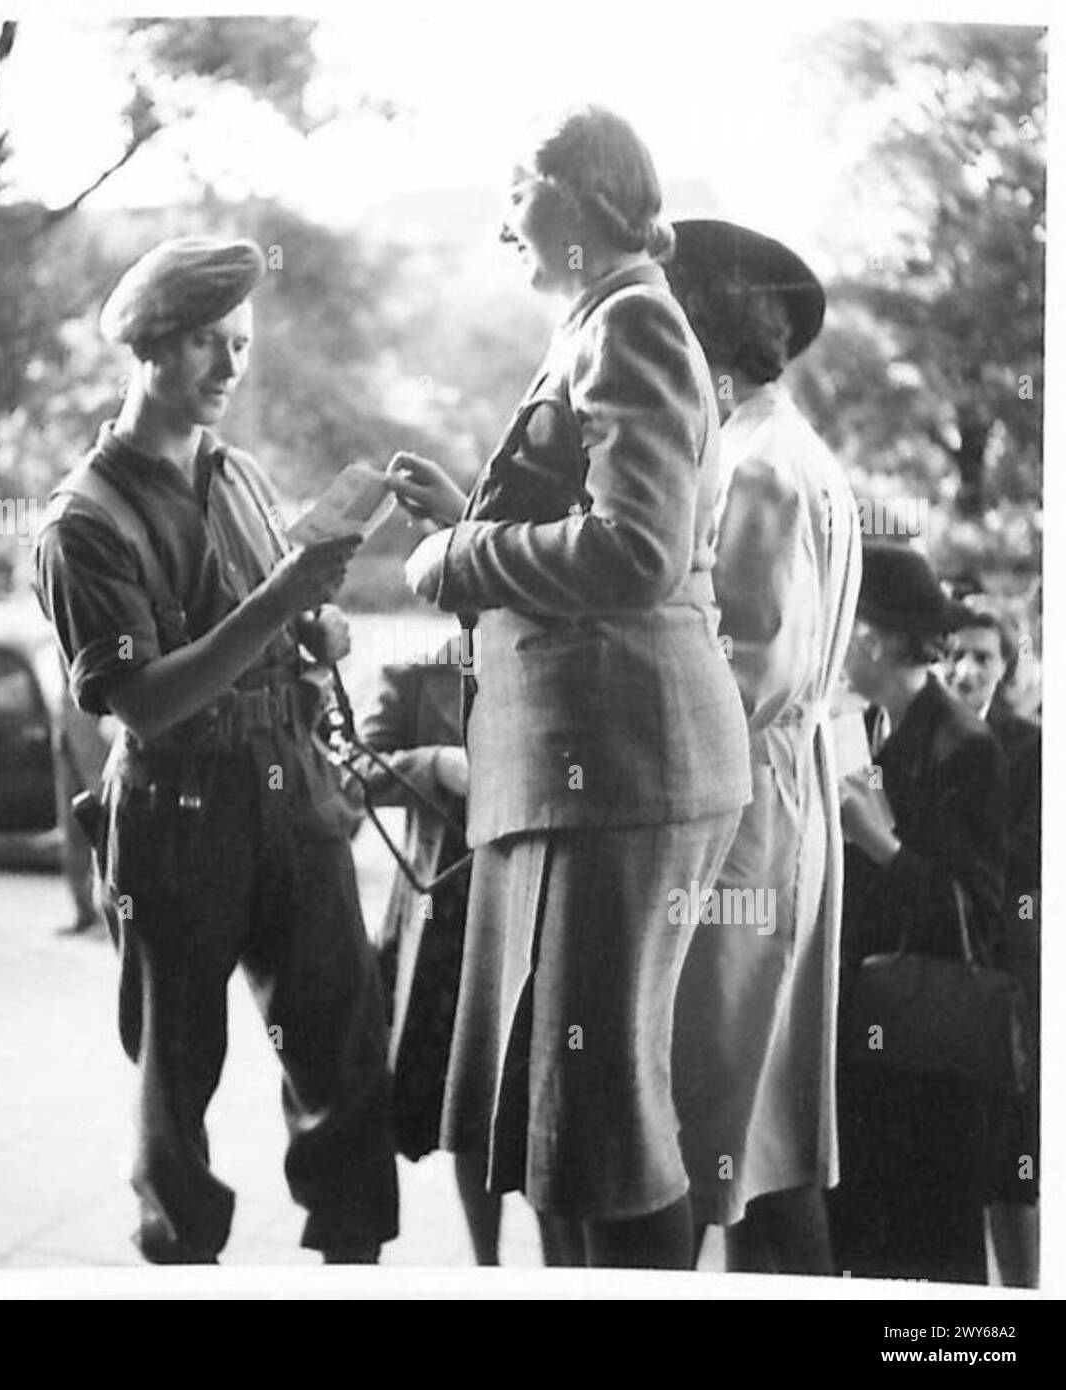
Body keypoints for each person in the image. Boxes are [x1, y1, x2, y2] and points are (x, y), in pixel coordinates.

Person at [388, 106, 751, 1269]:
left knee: (602, 1117)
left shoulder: (628, 319)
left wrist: (458, 556)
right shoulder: (611, 318)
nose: (503, 224)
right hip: (599, 767)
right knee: (570, 1118)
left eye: (516, 190)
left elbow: (636, 550)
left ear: (587, 197)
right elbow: (605, 533)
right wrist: (476, 521)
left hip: (619, 770)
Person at [34, 235, 398, 1264]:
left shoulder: (239, 476)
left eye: (238, 345)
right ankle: (182, 1263)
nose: (229, 368)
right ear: (149, 345)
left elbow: (277, 625)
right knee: (174, 1082)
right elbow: (144, 703)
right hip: (178, 809)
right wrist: (286, 596)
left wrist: (316, 629)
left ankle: (353, 1264)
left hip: (291, 791)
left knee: (346, 1050)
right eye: (205, 343)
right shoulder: (81, 519)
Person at [666, 220, 862, 1274]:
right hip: (778, 804)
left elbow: (748, 673)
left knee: (712, 1110)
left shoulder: (758, 466)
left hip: (744, 813)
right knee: (758, 1122)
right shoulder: (786, 453)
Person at [829, 542, 1008, 1284]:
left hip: (927, 1055)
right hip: (871, 1040)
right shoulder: (868, 724)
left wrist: (881, 845)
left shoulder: (963, 744)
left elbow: (978, 916)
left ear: (872, 634)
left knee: (931, 1254)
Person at [357, 644, 503, 1263]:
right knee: (466, 1102)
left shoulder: (559, 640)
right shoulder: (418, 666)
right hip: (444, 907)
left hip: (540, 894)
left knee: (533, 1094)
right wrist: (438, 765)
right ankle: (487, 1264)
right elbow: (356, 767)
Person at [947, 604, 1040, 1286]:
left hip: (1005, 969)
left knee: (1012, 1165)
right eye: (954, 654)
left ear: (1004, 667)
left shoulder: (1029, 747)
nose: (966, 670)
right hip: (934, 965)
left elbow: (1026, 858)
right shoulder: (914, 736)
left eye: (983, 657)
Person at [52, 680, 112, 936]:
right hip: (67, 733)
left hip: (94, 729)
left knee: (103, 829)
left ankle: (110, 917)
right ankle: (84, 912)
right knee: (73, 830)